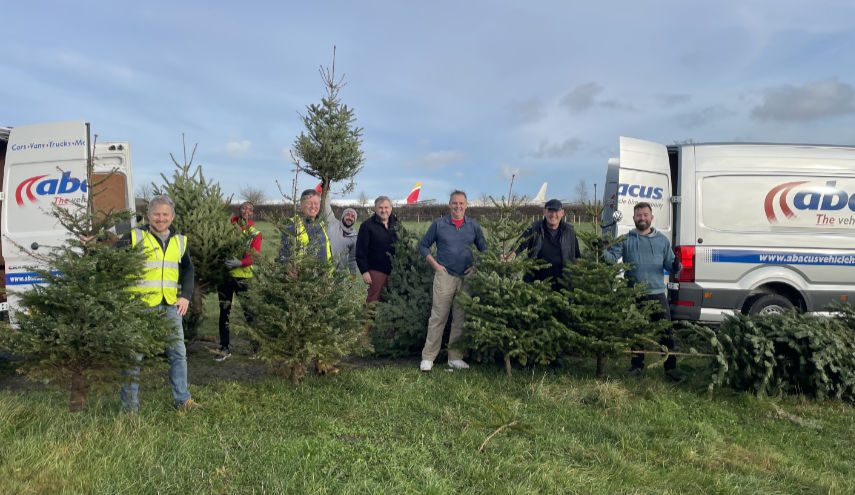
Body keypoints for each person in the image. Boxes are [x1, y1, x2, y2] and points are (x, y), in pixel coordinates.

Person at [120, 195, 201, 411]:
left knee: (178, 353)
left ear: (172, 217)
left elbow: (188, 269)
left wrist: (185, 295)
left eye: (165, 214)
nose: (160, 218)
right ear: (148, 215)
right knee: (133, 356)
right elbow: (111, 259)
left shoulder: (180, 241)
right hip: (139, 306)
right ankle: (130, 409)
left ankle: (182, 401)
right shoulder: (134, 237)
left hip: (170, 305)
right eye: (156, 214)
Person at [604, 201, 680, 377]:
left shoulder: (662, 241)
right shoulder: (626, 239)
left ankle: (671, 368)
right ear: (634, 218)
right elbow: (612, 258)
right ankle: (636, 366)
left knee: (666, 332)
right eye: (639, 215)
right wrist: (601, 249)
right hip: (634, 293)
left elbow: (671, 264)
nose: (642, 218)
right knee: (636, 332)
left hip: (657, 293)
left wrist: (677, 266)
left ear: (651, 217)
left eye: (645, 215)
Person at [418, 190, 488, 371]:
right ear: (449, 205)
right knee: (438, 317)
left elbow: (484, 249)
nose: (458, 206)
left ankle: (455, 358)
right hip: (444, 276)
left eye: (461, 203)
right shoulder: (439, 224)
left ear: (466, 205)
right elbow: (423, 245)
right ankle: (428, 358)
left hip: (466, 278)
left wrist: (476, 266)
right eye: (454, 203)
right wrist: (435, 265)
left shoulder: (473, 226)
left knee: (460, 319)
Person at [215, 201, 262, 361]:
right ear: (239, 210)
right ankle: (224, 347)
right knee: (224, 312)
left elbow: (254, 255)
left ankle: (256, 347)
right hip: (225, 277)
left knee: (248, 312)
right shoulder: (228, 228)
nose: (246, 210)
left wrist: (240, 263)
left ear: (252, 213)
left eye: (250, 209)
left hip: (244, 277)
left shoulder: (255, 232)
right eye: (244, 207)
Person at [511, 198, 581, 288]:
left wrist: (579, 276)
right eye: (550, 211)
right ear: (544, 212)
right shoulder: (534, 228)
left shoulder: (569, 231)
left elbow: (577, 255)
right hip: (536, 283)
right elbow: (519, 245)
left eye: (556, 211)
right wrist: (508, 257)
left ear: (562, 213)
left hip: (563, 284)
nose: (553, 215)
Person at [355, 196, 399, 303]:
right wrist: (364, 271)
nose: (384, 210)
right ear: (375, 209)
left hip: (395, 270)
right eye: (380, 208)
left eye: (386, 207)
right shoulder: (367, 226)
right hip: (376, 271)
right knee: (373, 301)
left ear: (391, 208)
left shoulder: (396, 223)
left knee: (389, 301)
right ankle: (367, 320)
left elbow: (404, 239)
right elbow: (360, 251)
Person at [279, 189, 331, 262]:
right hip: (302, 273)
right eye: (309, 203)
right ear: (301, 204)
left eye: (316, 203)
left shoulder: (321, 224)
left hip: (323, 272)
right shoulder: (292, 225)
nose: (313, 206)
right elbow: (284, 256)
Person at [324, 202, 359, 275]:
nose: (350, 218)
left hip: (338, 272)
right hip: (323, 267)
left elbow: (353, 258)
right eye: (348, 215)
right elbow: (326, 206)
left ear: (354, 220)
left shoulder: (354, 237)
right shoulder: (332, 222)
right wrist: (325, 191)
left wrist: (353, 273)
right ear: (343, 216)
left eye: (352, 217)